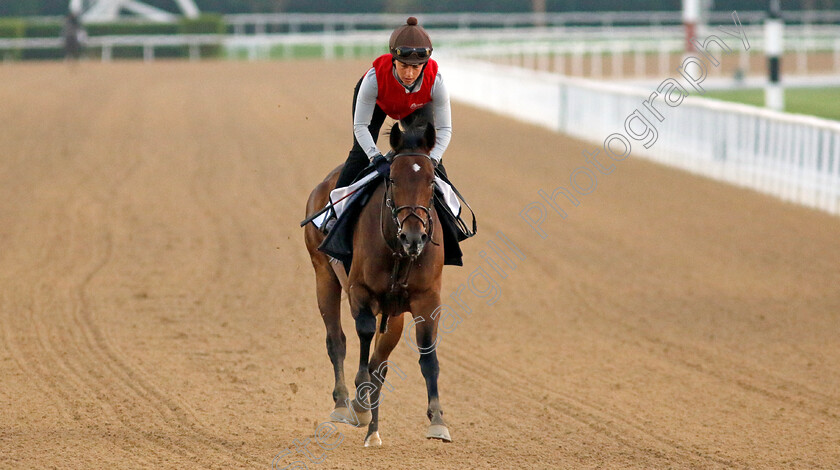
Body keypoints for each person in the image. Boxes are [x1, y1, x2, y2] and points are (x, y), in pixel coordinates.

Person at [323, 16, 453, 231]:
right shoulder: (374, 78)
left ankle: (449, 221)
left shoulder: (436, 80)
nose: (409, 74)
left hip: (415, 106)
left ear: (425, 64)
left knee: (429, 160)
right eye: (403, 66)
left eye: (417, 67)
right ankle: (334, 212)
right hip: (379, 102)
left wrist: (433, 158)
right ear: (393, 59)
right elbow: (360, 127)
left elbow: (445, 130)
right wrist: (375, 158)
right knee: (358, 155)